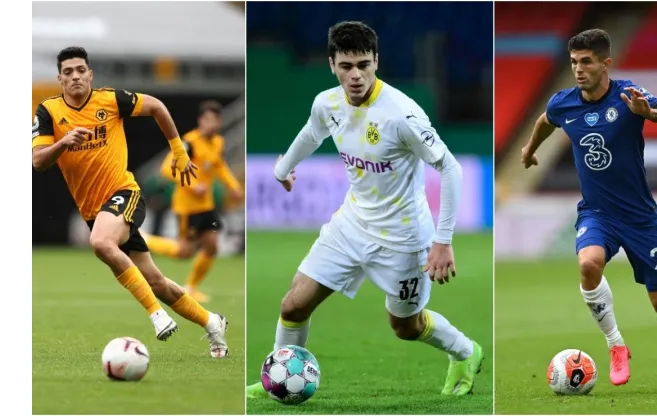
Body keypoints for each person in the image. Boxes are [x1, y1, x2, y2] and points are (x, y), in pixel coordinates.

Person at [246, 21, 483, 399]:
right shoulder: (328, 103)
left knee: (405, 326)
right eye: (345, 66)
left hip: (404, 239)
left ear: (376, 61)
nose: (355, 75)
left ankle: (466, 351)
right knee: (293, 304)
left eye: (363, 65)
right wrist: (283, 167)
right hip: (351, 225)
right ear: (331, 65)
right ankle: (279, 377)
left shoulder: (402, 115)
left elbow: (449, 168)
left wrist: (444, 240)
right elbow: (312, 132)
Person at [520, 29, 657, 390]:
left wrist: (651, 115)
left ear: (605, 64)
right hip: (597, 213)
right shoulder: (563, 102)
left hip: (641, 218)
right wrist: (529, 150)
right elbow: (544, 121)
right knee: (587, 263)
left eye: (586, 62)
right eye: (573, 63)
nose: (578, 70)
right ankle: (616, 345)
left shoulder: (629, 94)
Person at [32, 46, 229, 358]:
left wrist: (178, 151)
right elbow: (38, 161)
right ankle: (212, 323)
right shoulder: (48, 112)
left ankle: (155, 315)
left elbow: (157, 106)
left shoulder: (110, 100)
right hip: (93, 210)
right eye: (68, 72)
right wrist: (62, 143)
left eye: (81, 70)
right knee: (157, 281)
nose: (75, 76)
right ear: (60, 79)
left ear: (90, 74)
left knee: (99, 242)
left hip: (124, 192)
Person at [143, 100, 243, 303]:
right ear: (200, 121)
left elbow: (219, 166)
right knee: (184, 251)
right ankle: (145, 240)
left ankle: (191, 287)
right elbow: (165, 170)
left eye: (215, 120)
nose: (211, 124)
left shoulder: (218, 142)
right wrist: (192, 185)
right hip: (188, 207)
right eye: (207, 120)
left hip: (206, 206)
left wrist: (234, 186)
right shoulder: (188, 143)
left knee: (212, 246)